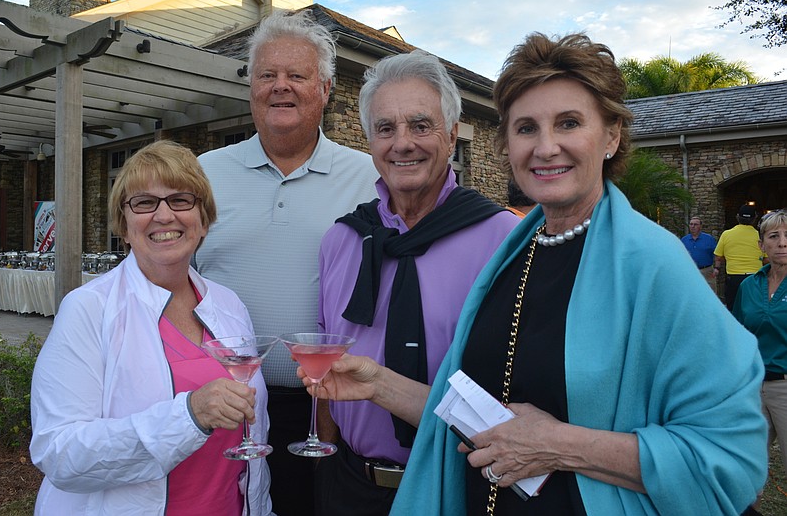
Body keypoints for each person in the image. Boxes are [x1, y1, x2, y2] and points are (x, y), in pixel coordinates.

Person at [305, 33, 768, 515]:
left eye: (569, 123)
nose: (546, 147)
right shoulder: (518, 252)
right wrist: (378, 385)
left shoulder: (652, 262)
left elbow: (732, 462)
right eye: (526, 128)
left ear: (611, 136)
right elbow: (489, 415)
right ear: (508, 144)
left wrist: (559, 445)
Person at [314, 50, 521, 515]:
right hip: (350, 485)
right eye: (386, 128)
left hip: (458, 484)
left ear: (452, 134)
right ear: (371, 141)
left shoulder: (502, 240)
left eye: (420, 125)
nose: (402, 143)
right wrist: (327, 469)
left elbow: (521, 385)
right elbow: (327, 368)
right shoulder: (341, 241)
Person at [194, 9, 379, 514]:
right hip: (222, 400)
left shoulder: (369, 178)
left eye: (297, 75)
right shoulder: (204, 174)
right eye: (267, 75)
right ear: (250, 88)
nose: (281, 86)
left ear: (325, 89)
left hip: (328, 408)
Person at [30, 141, 271, 515]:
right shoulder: (88, 308)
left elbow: (254, 436)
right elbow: (59, 452)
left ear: (203, 220)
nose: (164, 215)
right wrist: (188, 417)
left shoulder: (229, 305)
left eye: (180, 200)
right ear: (124, 227)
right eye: (144, 203)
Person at [733, 209, 787, 512]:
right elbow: (737, 336)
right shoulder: (749, 286)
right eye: (774, 236)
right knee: (746, 469)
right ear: (761, 245)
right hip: (752, 389)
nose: (782, 243)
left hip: (785, 386)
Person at [715, 204, 766, 310]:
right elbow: (767, 259)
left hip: (733, 277)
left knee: (733, 308)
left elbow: (719, 257)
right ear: (754, 218)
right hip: (755, 277)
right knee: (754, 308)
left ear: (737, 217)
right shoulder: (760, 236)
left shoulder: (726, 234)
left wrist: (730, 258)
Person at [680, 215, 718, 292]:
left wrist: (717, 268)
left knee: (709, 292)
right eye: (691, 224)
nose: (693, 226)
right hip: (690, 271)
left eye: (695, 224)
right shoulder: (684, 240)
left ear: (700, 226)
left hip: (706, 271)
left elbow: (717, 254)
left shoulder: (709, 239)